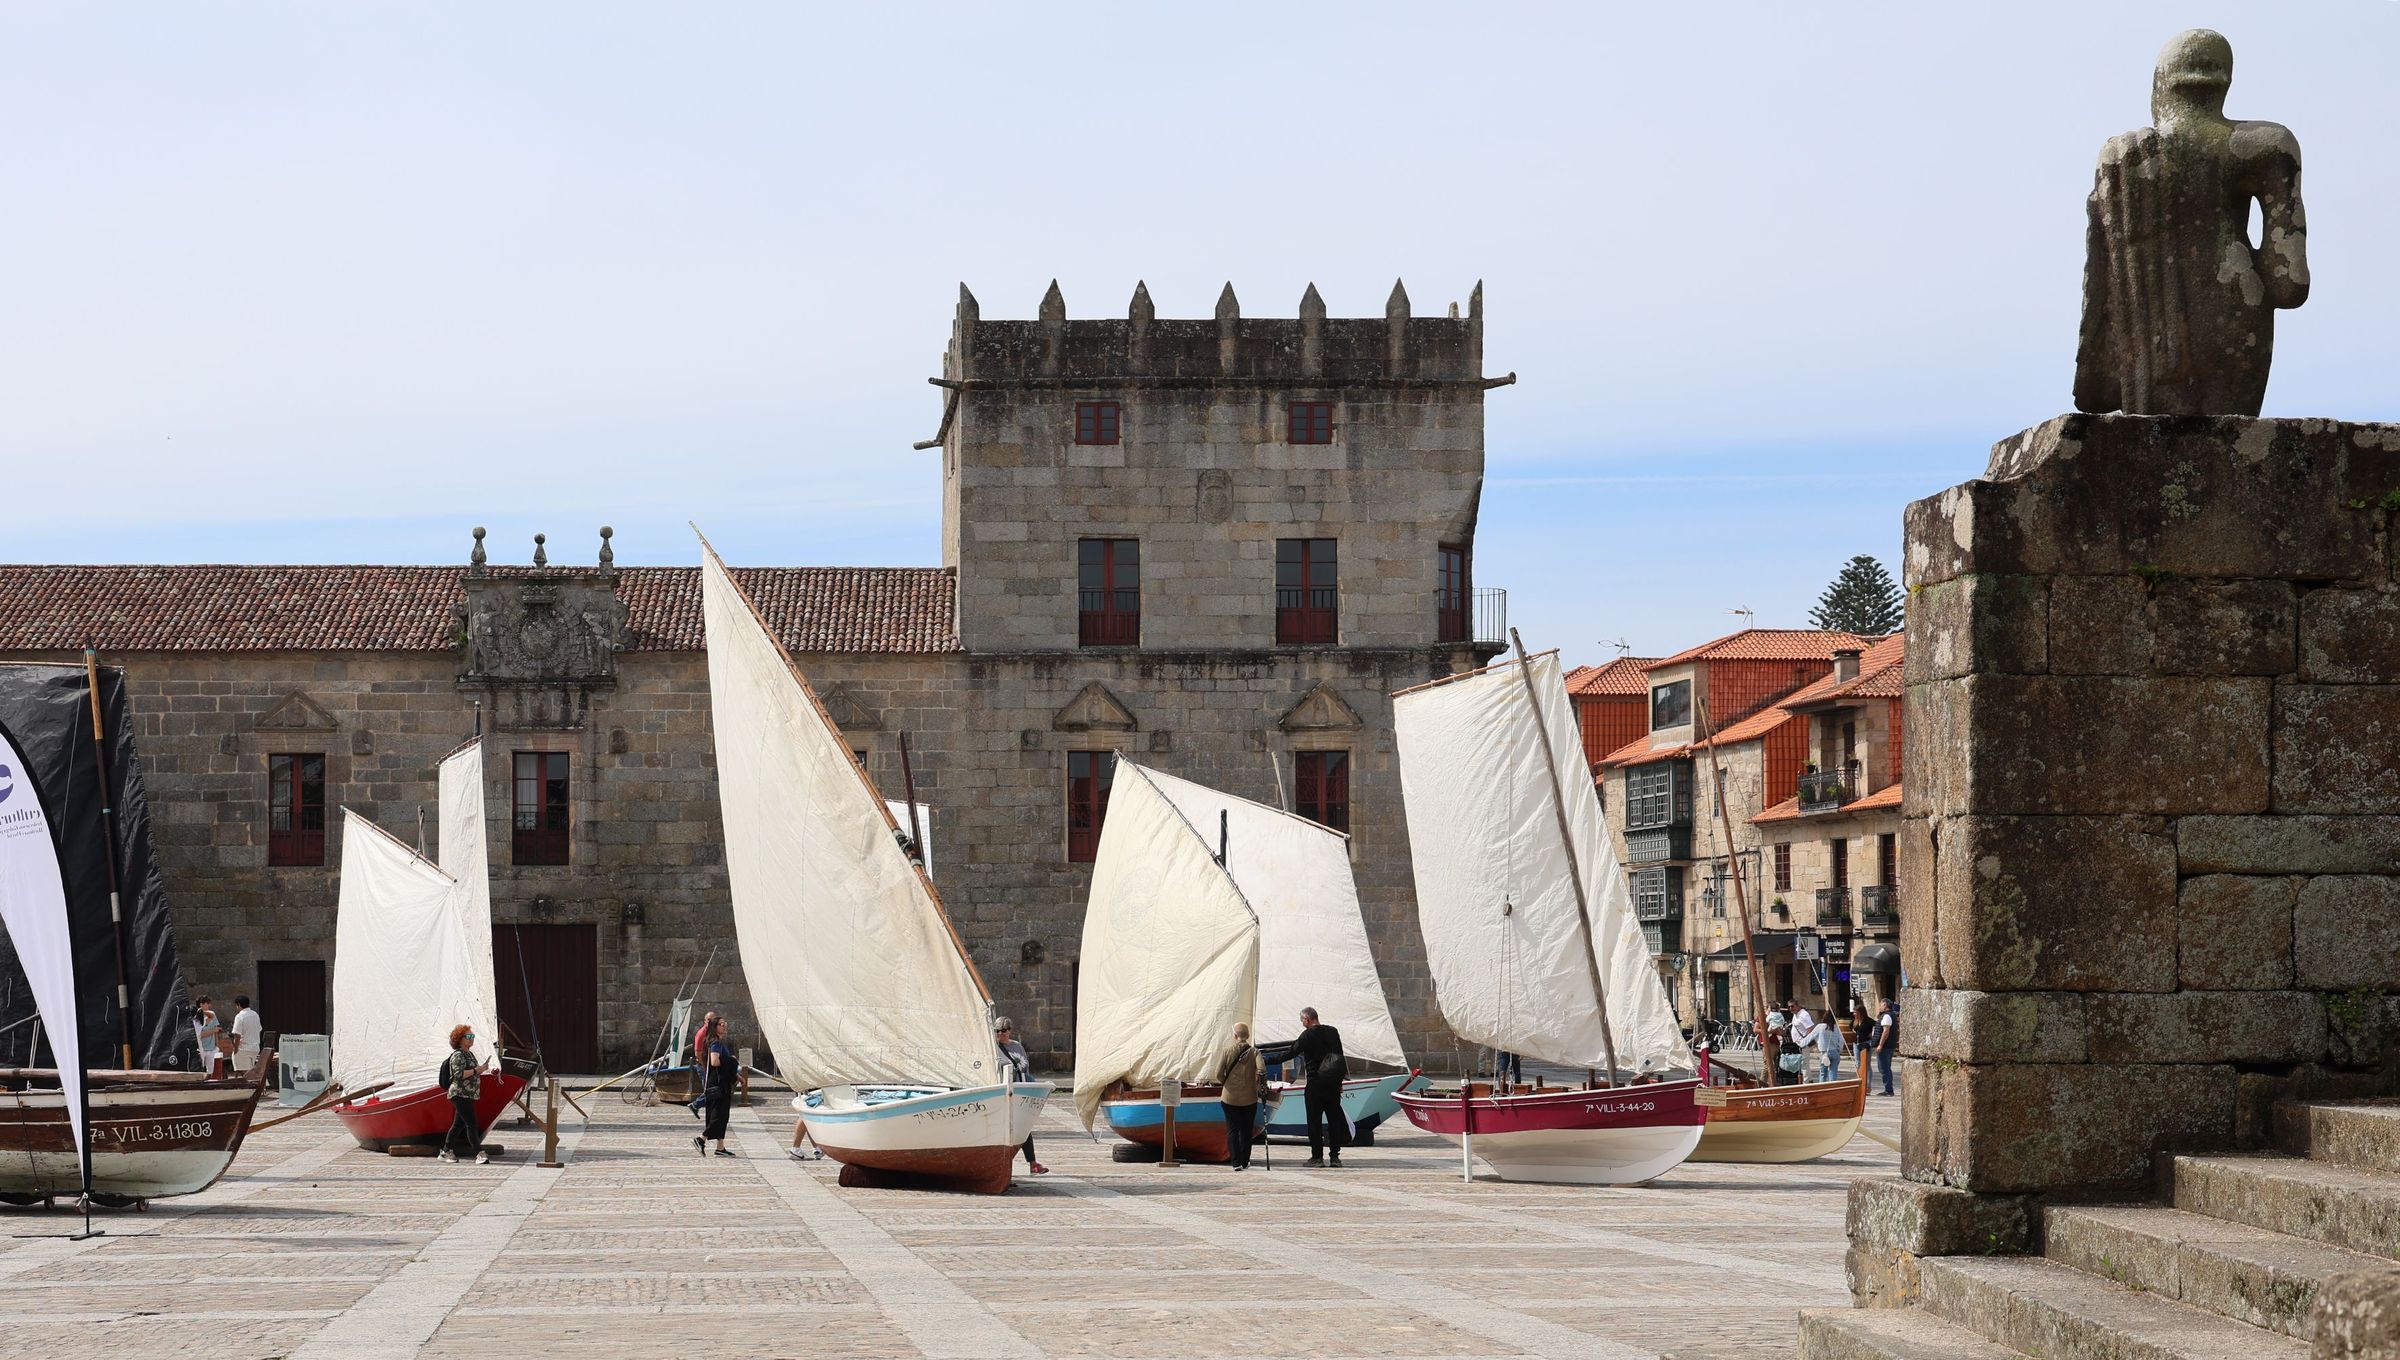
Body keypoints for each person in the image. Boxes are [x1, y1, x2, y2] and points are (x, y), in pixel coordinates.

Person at [1257, 1007, 1347, 1167]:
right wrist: (1339, 1082)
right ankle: (1335, 1157)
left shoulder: (1308, 1035)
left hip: (1315, 1083)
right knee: (1334, 1120)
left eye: (1302, 1020)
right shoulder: (1333, 1032)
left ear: (1307, 1019)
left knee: (1314, 1121)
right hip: (1332, 1083)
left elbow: (1290, 1053)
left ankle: (1317, 1157)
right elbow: (1340, 1057)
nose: (1302, 1023)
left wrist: (1265, 1061)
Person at [994, 1017, 1048, 1175]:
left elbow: (1026, 1068)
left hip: (1020, 1091)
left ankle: (1033, 1164)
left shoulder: (1017, 1047)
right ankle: (1008, 1168)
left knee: (1023, 1128)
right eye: (997, 1031)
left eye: (1003, 1030)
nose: (1000, 1034)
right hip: (1004, 1093)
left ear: (1010, 1031)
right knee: (1005, 1130)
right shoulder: (993, 1047)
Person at [1213, 1022, 1263, 1171]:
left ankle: (1235, 1162)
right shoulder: (1255, 1052)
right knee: (1246, 1130)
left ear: (1235, 1035)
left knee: (1232, 1129)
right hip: (1249, 1098)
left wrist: (1226, 1083)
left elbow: (1217, 1073)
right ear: (1247, 1036)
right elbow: (1261, 1069)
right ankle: (1245, 1161)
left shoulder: (1227, 1051)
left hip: (1229, 1097)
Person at [438, 1024, 490, 1165]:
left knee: (458, 1125)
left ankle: (445, 1151)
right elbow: (459, 1074)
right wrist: (476, 1070)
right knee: (472, 1124)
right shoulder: (458, 1055)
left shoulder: (470, 1054)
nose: (471, 1039)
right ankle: (479, 1153)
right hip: (460, 1094)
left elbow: (473, 1071)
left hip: (469, 1094)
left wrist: (483, 1068)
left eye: (472, 1036)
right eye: (468, 1036)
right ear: (460, 1039)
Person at [694, 1018, 736, 1157]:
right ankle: (701, 1139)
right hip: (718, 1084)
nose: (724, 1026)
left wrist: (737, 1076)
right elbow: (715, 1061)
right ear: (714, 1027)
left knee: (722, 1115)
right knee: (718, 1115)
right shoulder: (716, 1043)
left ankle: (720, 1147)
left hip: (721, 1082)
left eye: (725, 1024)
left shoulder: (718, 1042)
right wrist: (732, 1060)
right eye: (721, 1024)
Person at [228, 996, 262, 1076]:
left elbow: (237, 1035)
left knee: (245, 1072)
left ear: (238, 1005)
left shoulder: (239, 1016)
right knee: (250, 1069)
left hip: (243, 1048)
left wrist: (235, 1048)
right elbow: (259, 1030)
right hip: (255, 1048)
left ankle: (250, 1085)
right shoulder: (255, 1014)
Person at [193, 997, 224, 1079]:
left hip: (212, 1048)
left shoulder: (210, 1014)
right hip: (201, 1048)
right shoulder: (196, 1019)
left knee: (212, 1071)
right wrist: (213, 1030)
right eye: (207, 1003)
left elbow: (216, 1030)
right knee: (201, 1070)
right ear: (201, 1004)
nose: (209, 1005)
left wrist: (217, 1046)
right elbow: (200, 1034)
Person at [1873, 999, 1898, 1096]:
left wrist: (1880, 1045)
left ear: (1885, 1005)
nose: (1879, 1006)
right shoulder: (1891, 1015)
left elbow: (1886, 1031)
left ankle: (1888, 1089)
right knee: (1885, 1067)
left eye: (1881, 1004)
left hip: (1886, 1046)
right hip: (1889, 1045)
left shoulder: (1887, 1016)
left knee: (1884, 1068)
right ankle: (1888, 1088)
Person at [1813, 1007, 1844, 1083]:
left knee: (1823, 1073)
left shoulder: (1820, 1027)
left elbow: (1815, 1037)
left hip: (1825, 1053)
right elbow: (1841, 1040)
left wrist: (1819, 1045)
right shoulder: (1836, 1028)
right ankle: (1832, 1090)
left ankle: (1822, 1090)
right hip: (1835, 1052)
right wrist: (1839, 1050)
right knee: (1833, 1073)